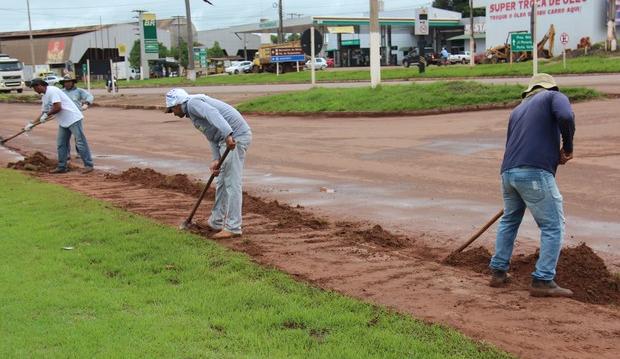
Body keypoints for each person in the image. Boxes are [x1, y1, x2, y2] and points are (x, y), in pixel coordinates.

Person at [488, 73, 575, 298]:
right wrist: (567, 148)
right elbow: (566, 116)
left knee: (509, 220)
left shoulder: (517, 110)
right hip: (534, 172)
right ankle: (543, 279)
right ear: (551, 88)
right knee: (553, 225)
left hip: (508, 173)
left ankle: (498, 272)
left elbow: (517, 143)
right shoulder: (553, 97)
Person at [164, 88, 252, 239]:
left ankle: (233, 227)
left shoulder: (193, 103)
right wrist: (216, 159)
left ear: (178, 104)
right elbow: (211, 135)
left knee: (231, 183)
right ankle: (216, 222)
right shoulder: (191, 113)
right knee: (222, 182)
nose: (172, 112)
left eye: (172, 109)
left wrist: (228, 134)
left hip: (235, 137)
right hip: (226, 139)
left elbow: (214, 115)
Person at [25, 78, 94, 174]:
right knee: (61, 144)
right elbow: (44, 112)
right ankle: (62, 167)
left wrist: (47, 115)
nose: (34, 90)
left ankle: (88, 165)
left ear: (39, 86)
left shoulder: (52, 90)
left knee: (80, 142)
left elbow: (57, 107)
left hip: (73, 118)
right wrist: (32, 124)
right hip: (63, 121)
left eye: (34, 88)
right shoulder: (44, 97)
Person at [59, 74, 94, 159]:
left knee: (78, 137)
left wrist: (86, 103)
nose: (67, 84)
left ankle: (80, 153)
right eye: (65, 82)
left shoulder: (79, 91)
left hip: (76, 117)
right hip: (65, 116)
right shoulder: (61, 92)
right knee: (64, 138)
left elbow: (90, 96)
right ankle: (66, 154)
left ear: (72, 82)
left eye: (69, 82)